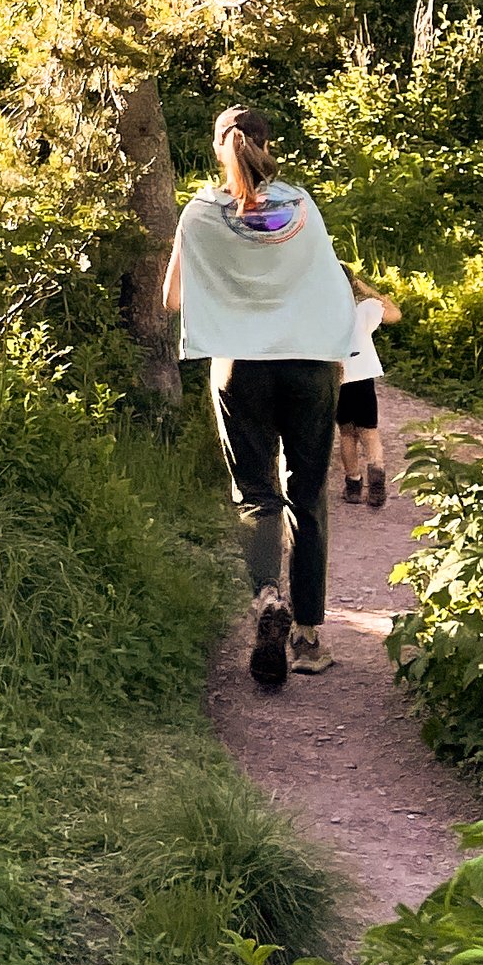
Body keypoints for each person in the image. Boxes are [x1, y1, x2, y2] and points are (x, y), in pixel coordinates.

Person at [162, 104, 355, 690]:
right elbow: (328, 286)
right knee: (307, 494)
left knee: (257, 495)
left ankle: (268, 598)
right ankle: (309, 635)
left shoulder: (199, 212)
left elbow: (172, 300)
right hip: (308, 367)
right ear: (270, 144)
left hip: (240, 368)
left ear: (220, 147)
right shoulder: (300, 206)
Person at [337, 271, 400, 507]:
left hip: (340, 378)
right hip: (364, 376)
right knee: (369, 431)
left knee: (346, 433)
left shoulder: (322, 311)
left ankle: (353, 485)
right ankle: (377, 478)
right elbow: (394, 314)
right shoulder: (364, 309)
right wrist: (368, 290)